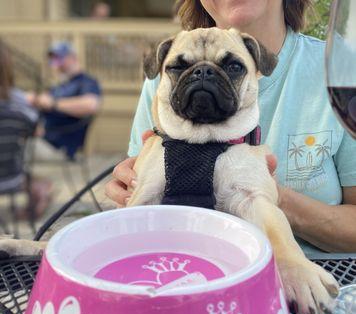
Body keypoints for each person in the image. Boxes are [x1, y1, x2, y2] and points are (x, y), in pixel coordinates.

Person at [105, 0, 356, 257]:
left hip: (326, 273)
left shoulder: (344, 71)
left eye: (233, 67)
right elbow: (136, 204)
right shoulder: (162, 79)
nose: (202, 77)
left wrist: (267, 198)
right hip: (184, 269)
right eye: (182, 68)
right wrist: (133, 188)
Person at [0, 40, 53, 219]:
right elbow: (38, 131)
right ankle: (39, 191)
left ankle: (39, 189)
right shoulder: (17, 102)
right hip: (10, 179)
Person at [31, 42, 102, 160]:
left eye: (59, 58)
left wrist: (54, 103)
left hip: (58, 148)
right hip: (41, 139)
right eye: (53, 59)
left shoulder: (86, 82)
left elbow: (91, 104)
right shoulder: (61, 85)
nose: (56, 63)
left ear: (72, 58)